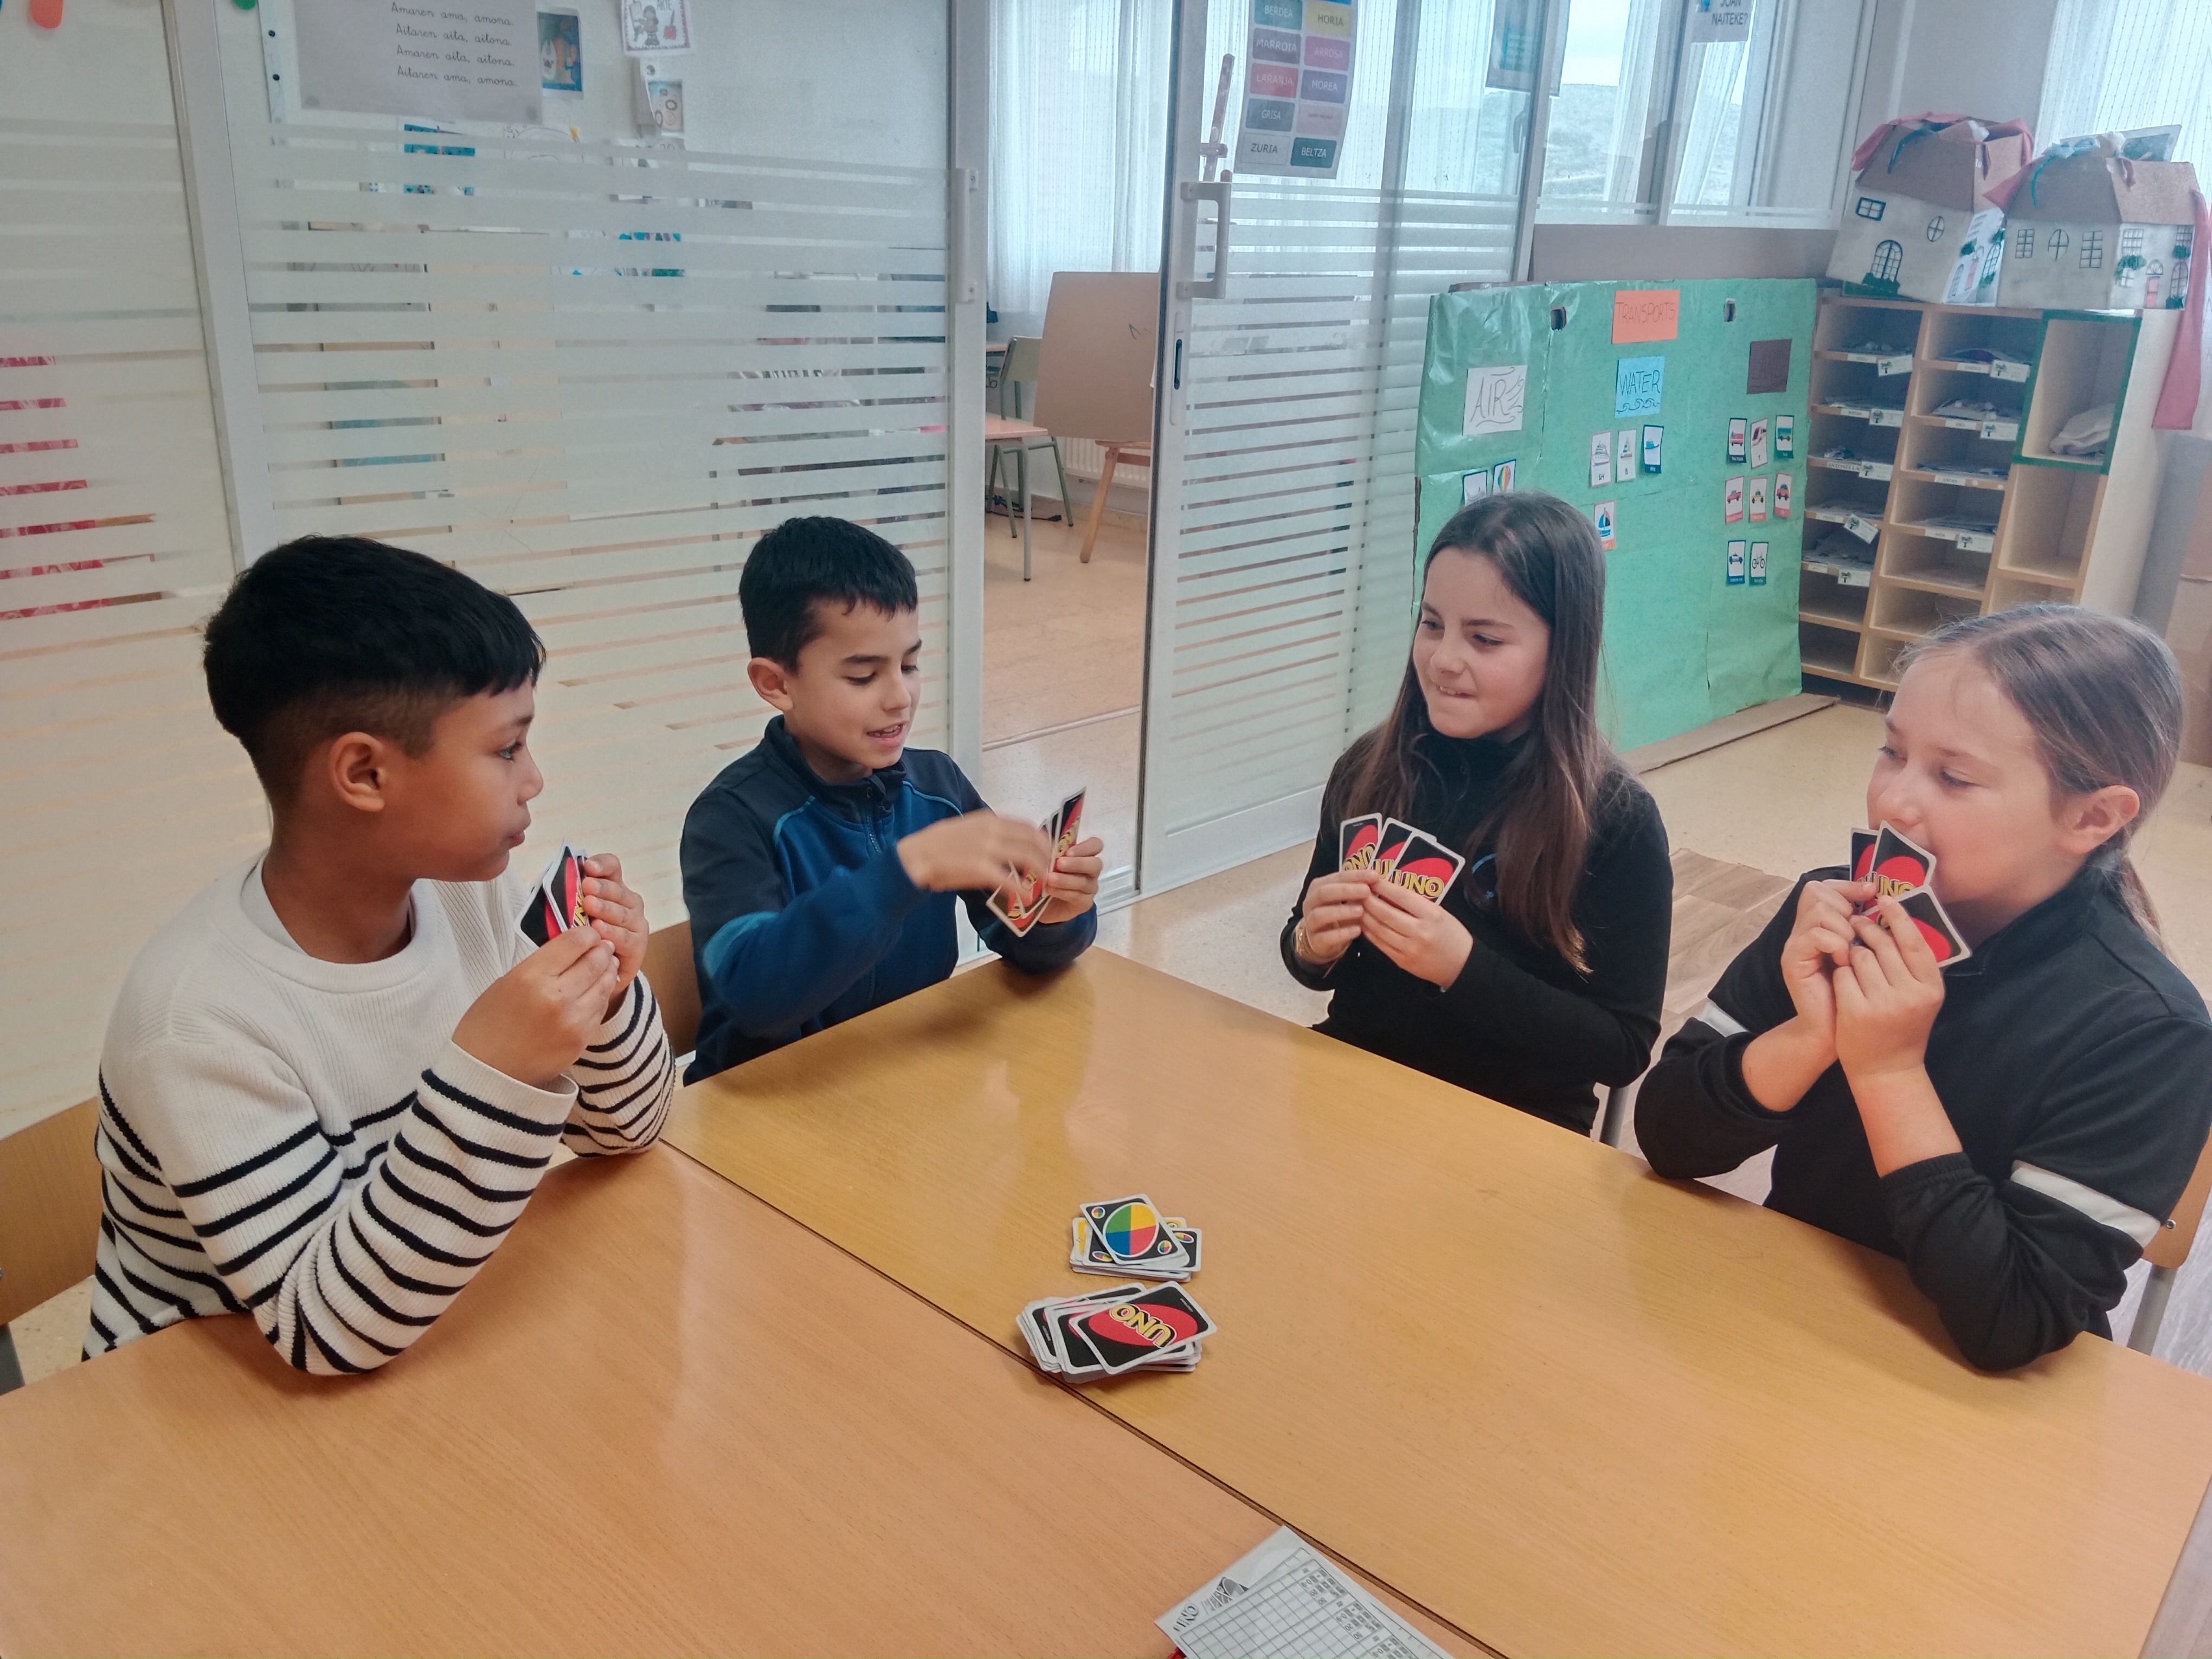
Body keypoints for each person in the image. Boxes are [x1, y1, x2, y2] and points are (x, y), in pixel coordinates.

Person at [86, 537, 676, 1375]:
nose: (535, 778)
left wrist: (608, 1000)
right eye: (507, 748)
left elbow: (633, 1130)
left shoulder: (482, 892)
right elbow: (322, 1331)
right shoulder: (195, 1021)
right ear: (363, 773)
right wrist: (496, 1068)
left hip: (426, 1322)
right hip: (199, 1395)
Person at [1636, 606, 2212, 1371]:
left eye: (1954, 776)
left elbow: (2016, 1319)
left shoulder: (2149, 1030)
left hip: (1961, 1404)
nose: (1893, 802)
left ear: (2092, 816)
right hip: (1779, 1325)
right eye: (1891, 752)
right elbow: (1667, 1135)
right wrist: (1809, 1037)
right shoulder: (1832, 909)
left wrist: (1887, 1070)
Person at [1279, 492, 1672, 1132]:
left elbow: (1622, 1047)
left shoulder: (1614, 821)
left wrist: (1462, 968)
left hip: (1514, 1126)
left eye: (1485, 639)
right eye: (1431, 623)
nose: (1443, 659)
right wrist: (1310, 944)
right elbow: (1305, 958)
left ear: (1563, 648)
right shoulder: (1370, 768)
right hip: (1352, 1091)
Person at [681, 516, 1102, 1081]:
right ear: (776, 684)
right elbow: (756, 995)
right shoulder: (730, 819)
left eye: (909, 664)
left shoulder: (939, 786)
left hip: (901, 1085)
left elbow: (1018, 937)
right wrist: (908, 869)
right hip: (771, 1107)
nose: (900, 697)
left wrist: (1056, 917)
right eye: (862, 677)